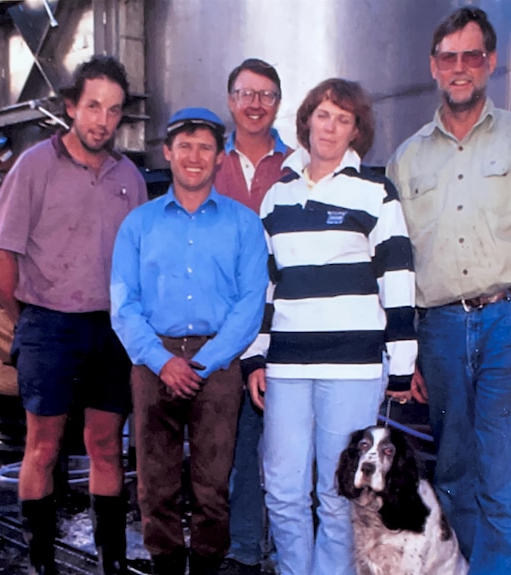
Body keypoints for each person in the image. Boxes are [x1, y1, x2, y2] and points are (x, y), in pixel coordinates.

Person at [386, 7, 511, 575]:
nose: (460, 68)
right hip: (439, 330)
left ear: (491, 63)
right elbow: (397, 264)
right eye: (449, 58)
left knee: (502, 478)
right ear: (434, 67)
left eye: (472, 56)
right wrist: (408, 351)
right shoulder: (407, 158)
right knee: (452, 474)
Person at [0, 55, 148, 575]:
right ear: (71, 107)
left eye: (114, 110)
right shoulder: (34, 165)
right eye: (93, 106)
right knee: (43, 447)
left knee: (106, 444)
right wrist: (26, 318)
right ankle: (41, 563)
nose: (103, 120)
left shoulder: (131, 178)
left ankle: (112, 559)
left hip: (111, 331)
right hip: (48, 325)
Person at [246, 78, 417, 575]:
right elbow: (267, 287)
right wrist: (256, 355)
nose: (331, 126)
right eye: (324, 115)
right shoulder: (276, 197)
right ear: (306, 121)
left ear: (356, 131)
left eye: (344, 119)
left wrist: (402, 364)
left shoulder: (376, 192)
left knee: (340, 491)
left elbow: (399, 278)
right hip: (286, 367)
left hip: (354, 368)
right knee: (281, 488)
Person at [110, 107, 268, 575]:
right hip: (151, 358)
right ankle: (164, 564)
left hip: (218, 364)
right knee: (154, 482)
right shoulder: (138, 224)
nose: (194, 157)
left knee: (212, 482)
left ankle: (205, 566)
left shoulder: (243, 224)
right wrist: (161, 361)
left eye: (205, 147)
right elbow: (123, 303)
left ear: (220, 157)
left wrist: (206, 362)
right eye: (185, 146)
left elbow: (250, 303)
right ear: (168, 152)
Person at [214, 58, 292, 575]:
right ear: (231, 101)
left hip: (289, 322)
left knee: (290, 447)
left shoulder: (300, 164)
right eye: (246, 93)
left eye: (266, 94)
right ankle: (243, 548)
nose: (255, 103)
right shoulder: (207, 165)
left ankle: (293, 552)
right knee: (235, 444)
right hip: (225, 328)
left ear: (279, 103)